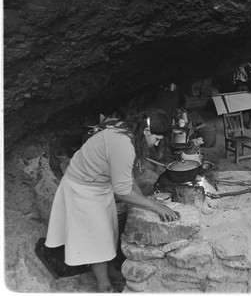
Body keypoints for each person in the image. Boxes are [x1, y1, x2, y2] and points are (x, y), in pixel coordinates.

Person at [45, 109, 180, 292]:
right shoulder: (122, 145)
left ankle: (109, 270)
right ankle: (104, 285)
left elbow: (126, 175)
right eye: (156, 139)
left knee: (109, 231)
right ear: (147, 132)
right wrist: (156, 206)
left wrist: (143, 199)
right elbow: (123, 192)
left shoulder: (128, 133)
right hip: (82, 189)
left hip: (98, 186)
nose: (156, 144)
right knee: (98, 239)